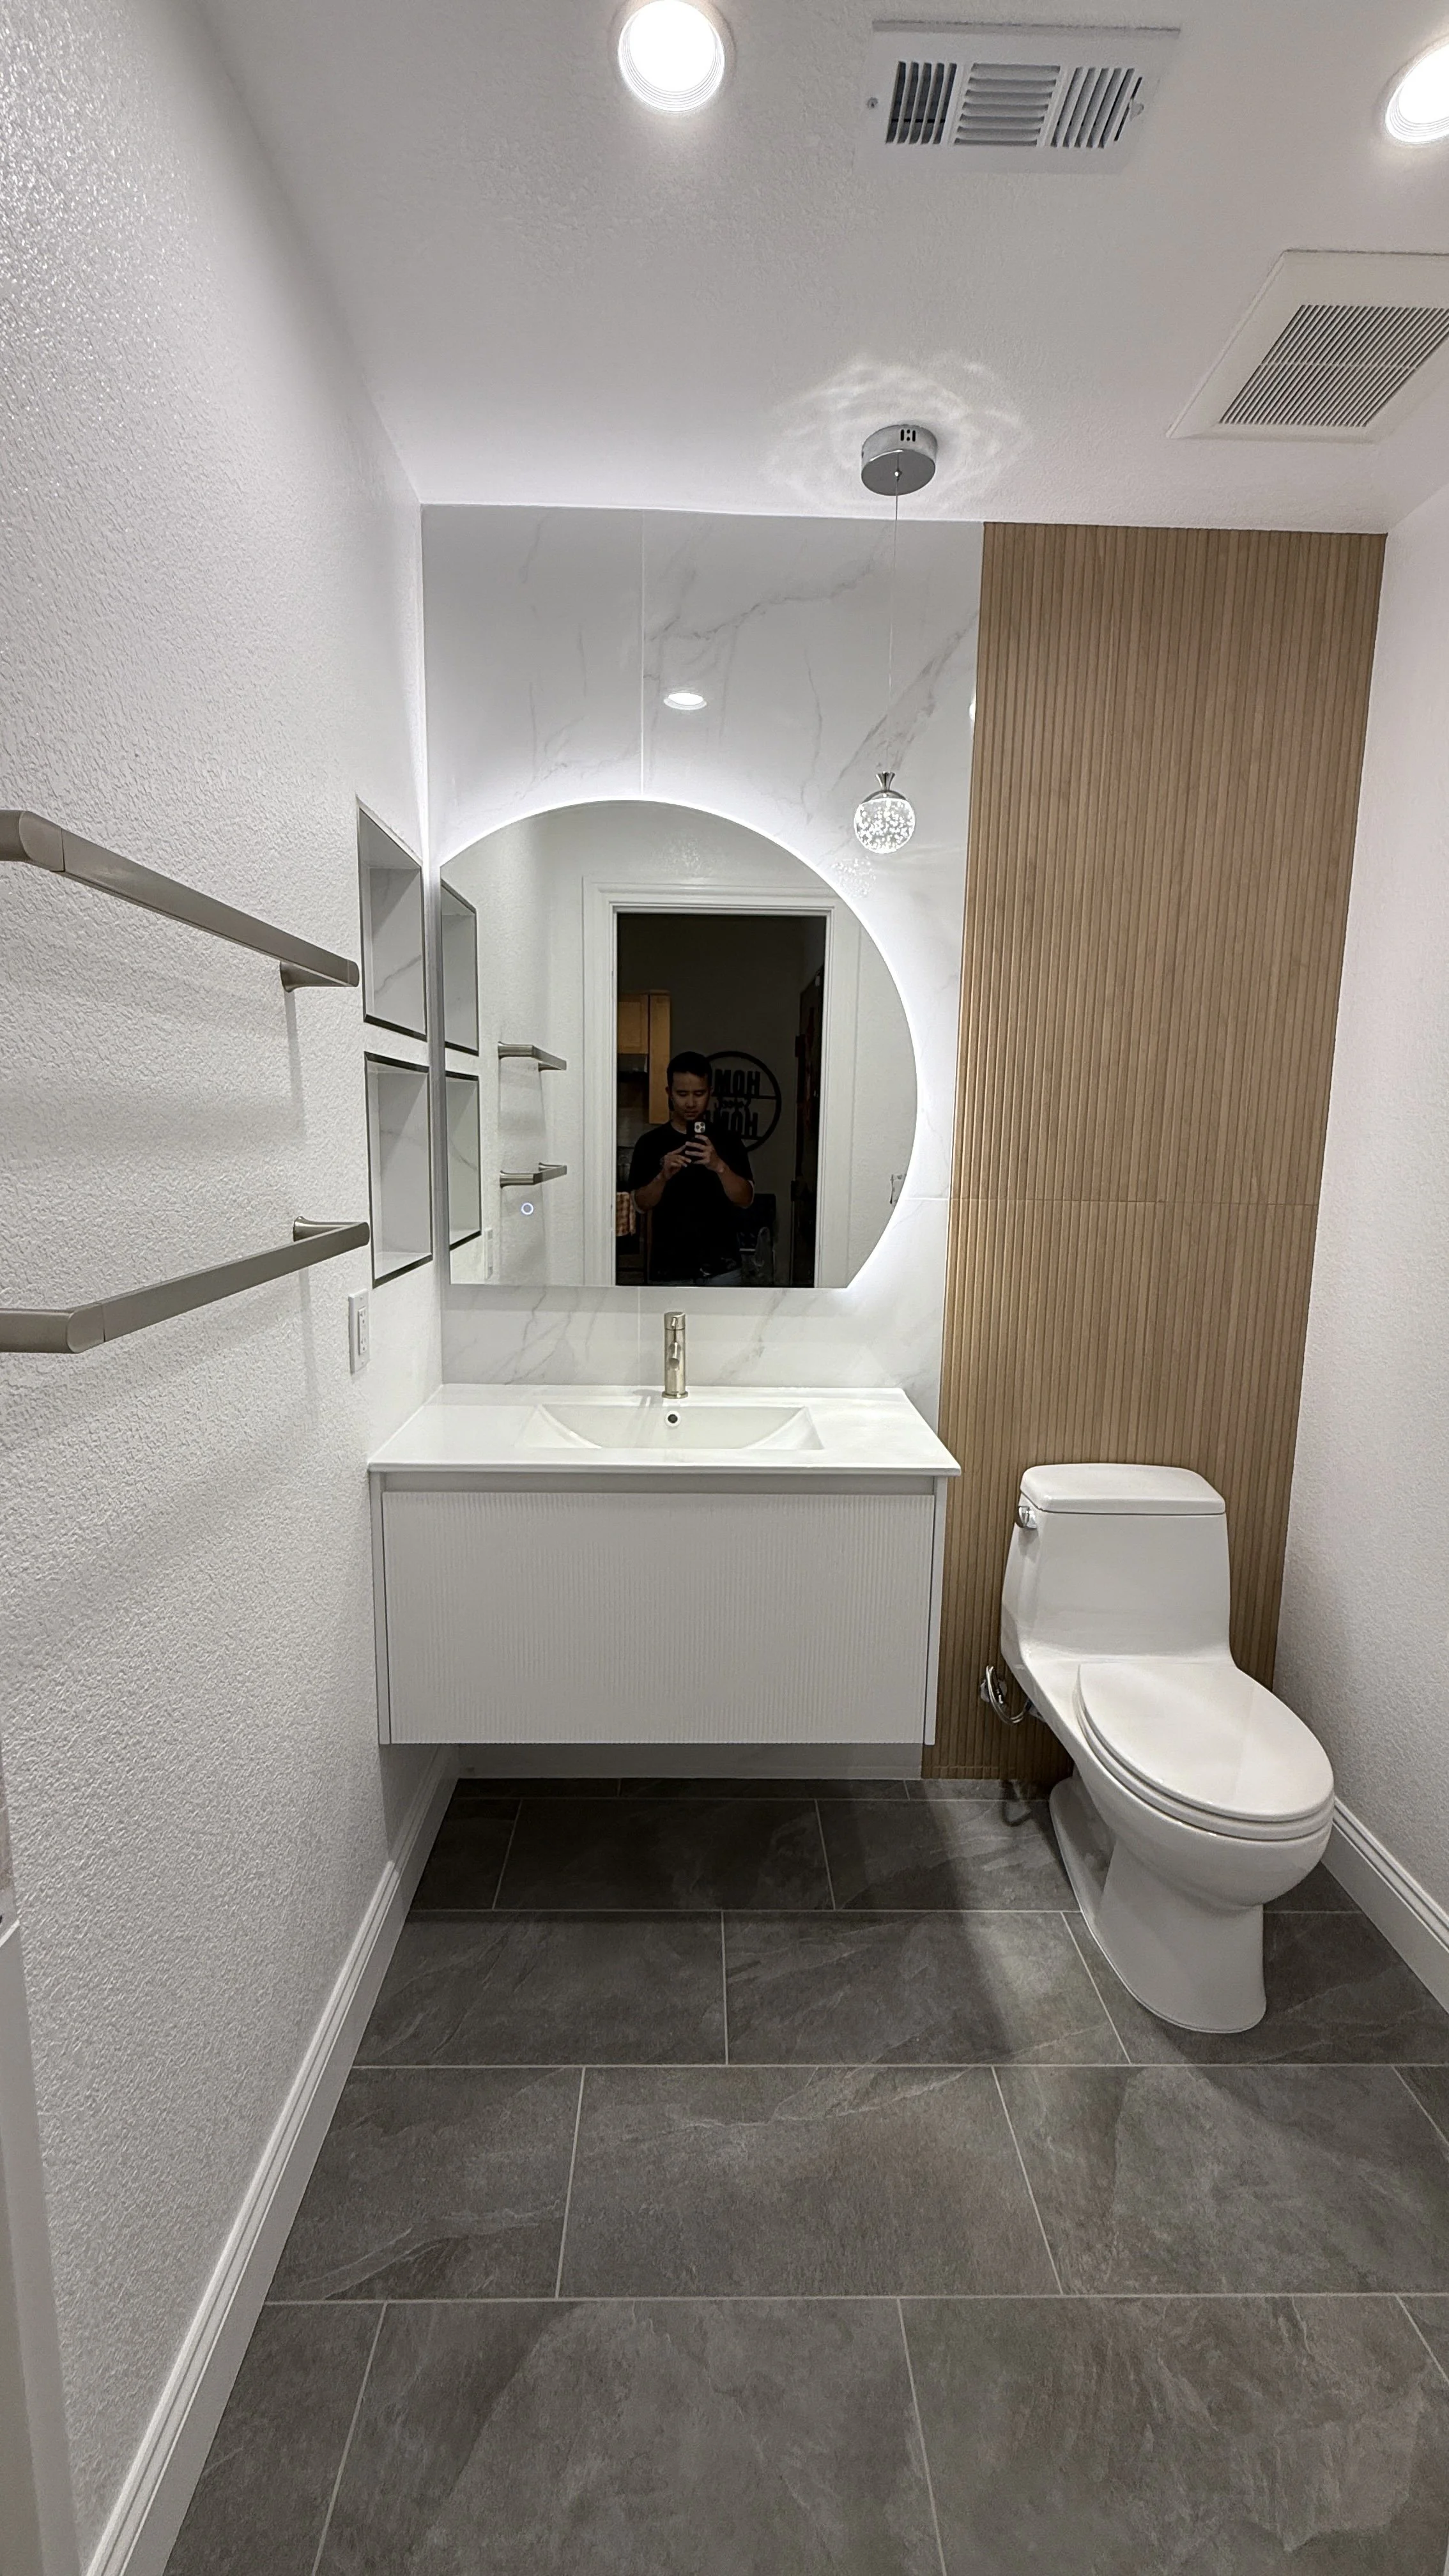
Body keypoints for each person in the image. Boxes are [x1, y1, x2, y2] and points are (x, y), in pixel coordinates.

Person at [628, 1051, 754, 1285]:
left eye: (699, 1094)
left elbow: (746, 1199)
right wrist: (662, 1177)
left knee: (726, 1323)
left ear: (710, 1093)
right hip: (670, 1269)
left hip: (723, 1266)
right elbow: (640, 1204)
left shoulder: (728, 1140)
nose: (691, 1103)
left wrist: (719, 1166)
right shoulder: (650, 1143)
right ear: (669, 1093)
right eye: (682, 1094)